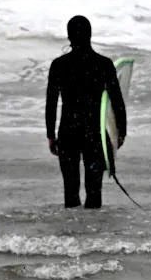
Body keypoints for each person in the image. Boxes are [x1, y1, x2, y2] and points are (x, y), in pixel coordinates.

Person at [46, 15, 126, 209]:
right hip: (94, 132)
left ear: (69, 37)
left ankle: (72, 235)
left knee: (70, 190)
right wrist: (121, 132)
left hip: (69, 131)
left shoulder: (59, 65)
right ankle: (93, 234)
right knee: (94, 191)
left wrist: (51, 135)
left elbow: (51, 103)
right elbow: (117, 101)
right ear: (90, 35)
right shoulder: (104, 64)